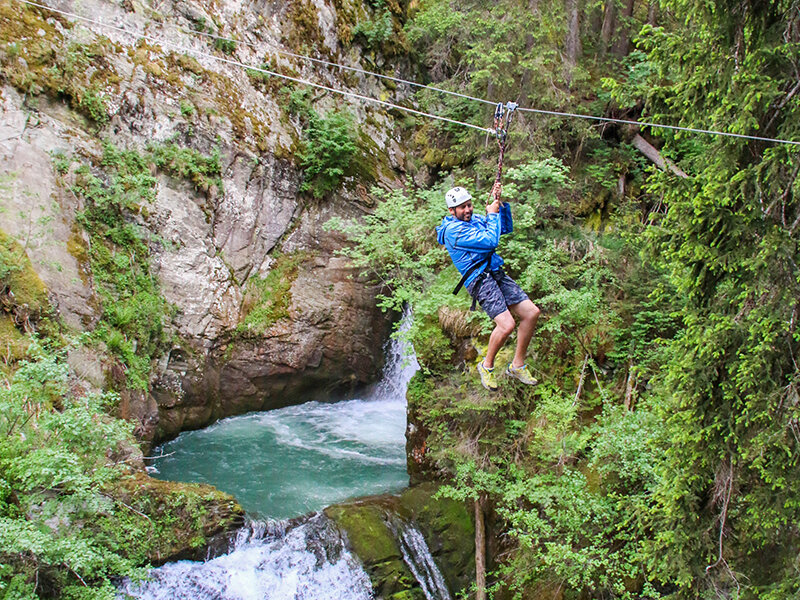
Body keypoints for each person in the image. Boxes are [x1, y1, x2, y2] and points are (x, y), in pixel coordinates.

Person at [436, 183, 541, 391]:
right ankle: (486, 365)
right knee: (506, 325)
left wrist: (498, 206)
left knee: (531, 312)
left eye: (469, 205)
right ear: (451, 211)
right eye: (462, 208)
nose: (467, 210)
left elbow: (504, 230)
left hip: (494, 272)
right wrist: (491, 216)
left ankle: (517, 365)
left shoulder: (473, 219)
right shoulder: (453, 231)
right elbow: (491, 242)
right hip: (479, 280)